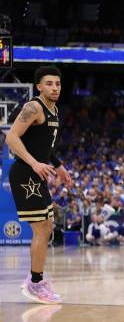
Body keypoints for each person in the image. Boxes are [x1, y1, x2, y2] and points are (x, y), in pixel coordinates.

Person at [6, 66, 71, 304]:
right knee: (41, 228)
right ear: (39, 87)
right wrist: (34, 164)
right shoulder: (33, 107)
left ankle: (35, 279)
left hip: (37, 173)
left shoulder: (54, 110)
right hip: (25, 173)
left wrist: (59, 165)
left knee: (47, 227)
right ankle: (35, 283)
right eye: (50, 84)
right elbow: (11, 138)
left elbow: (43, 145)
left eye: (58, 84)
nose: (55, 87)